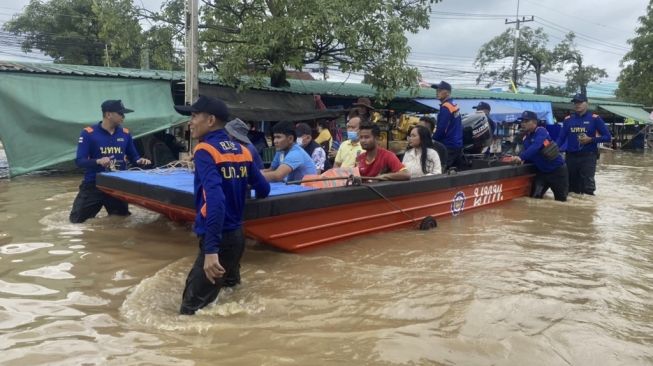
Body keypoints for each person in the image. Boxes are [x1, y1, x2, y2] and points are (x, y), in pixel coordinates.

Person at [174, 95, 270, 315]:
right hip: (237, 236)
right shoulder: (242, 150)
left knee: (189, 311)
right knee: (230, 293)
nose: (191, 122)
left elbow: (215, 201)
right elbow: (264, 189)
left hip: (218, 238)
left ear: (210, 120)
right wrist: (237, 185)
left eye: (194, 115)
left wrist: (210, 251)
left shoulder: (205, 151)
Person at [69, 100, 151, 223]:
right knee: (76, 222)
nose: (124, 117)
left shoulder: (125, 134)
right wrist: (98, 161)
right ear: (108, 115)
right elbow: (80, 161)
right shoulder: (88, 133)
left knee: (122, 221)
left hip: (117, 186)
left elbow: (134, 157)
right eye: (121, 113)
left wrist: (141, 161)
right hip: (94, 185)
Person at [556, 93, 612, 195]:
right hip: (571, 157)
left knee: (588, 187)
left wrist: (591, 139)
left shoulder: (595, 119)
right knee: (571, 188)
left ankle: (588, 208)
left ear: (586, 103)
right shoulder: (568, 120)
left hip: (588, 157)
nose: (577, 104)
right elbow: (561, 138)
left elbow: (608, 137)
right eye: (575, 102)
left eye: (580, 102)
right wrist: (553, 150)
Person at [511, 111, 568, 202]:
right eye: (522, 121)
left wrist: (521, 157)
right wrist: (518, 159)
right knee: (534, 199)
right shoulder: (525, 137)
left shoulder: (541, 131)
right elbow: (528, 153)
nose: (523, 123)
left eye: (526, 121)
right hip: (542, 172)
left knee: (561, 201)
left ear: (534, 122)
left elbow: (535, 147)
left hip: (557, 171)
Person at [431, 81, 463, 169]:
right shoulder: (453, 105)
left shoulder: (446, 107)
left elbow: (441, 129)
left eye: (440, 90)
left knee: (441, 172)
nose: (437, 92)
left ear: (448, 92)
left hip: (448, 146)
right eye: (437, 90)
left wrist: (432, 141)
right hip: (457, 145)